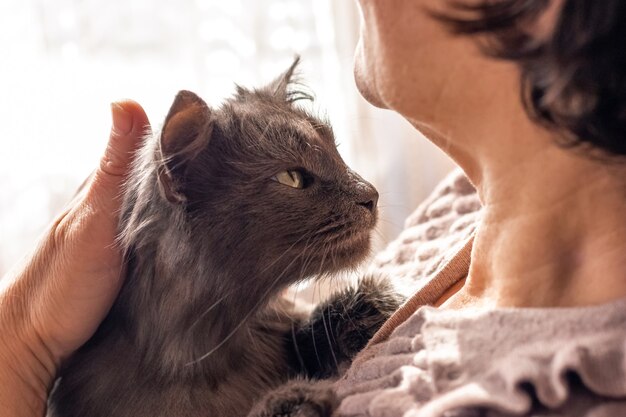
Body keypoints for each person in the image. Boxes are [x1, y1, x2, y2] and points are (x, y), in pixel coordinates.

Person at [2, 0, 626, 415]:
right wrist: (26, 332)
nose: (365, 195)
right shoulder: (464, 206)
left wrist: (24, 347)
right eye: (303, 177)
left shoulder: (560, 384)